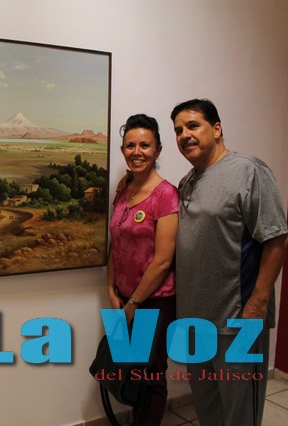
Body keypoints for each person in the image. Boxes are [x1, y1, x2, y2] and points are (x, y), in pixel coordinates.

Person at [170, 98, 288, 426]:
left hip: (238, 320)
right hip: (195, 320)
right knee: (207, 407)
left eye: (193, 126)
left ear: (217, 129)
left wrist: (258, 303)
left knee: (240, 412)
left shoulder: (249, 171)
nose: (184, 134)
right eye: (178, 130)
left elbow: (276, 238)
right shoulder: (187, 181)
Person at [108, 114, 179, 425]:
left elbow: (163, 260)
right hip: (123, 299)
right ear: (123, 150)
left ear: (158, 150)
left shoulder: (166, 195)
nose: (137, 151)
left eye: (145, 145)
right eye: (130, 145)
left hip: (153, 302)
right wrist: (111, 290)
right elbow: (116, 243)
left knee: (150, 377)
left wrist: (133, 304)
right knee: (131, 372)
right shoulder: (124, 191)